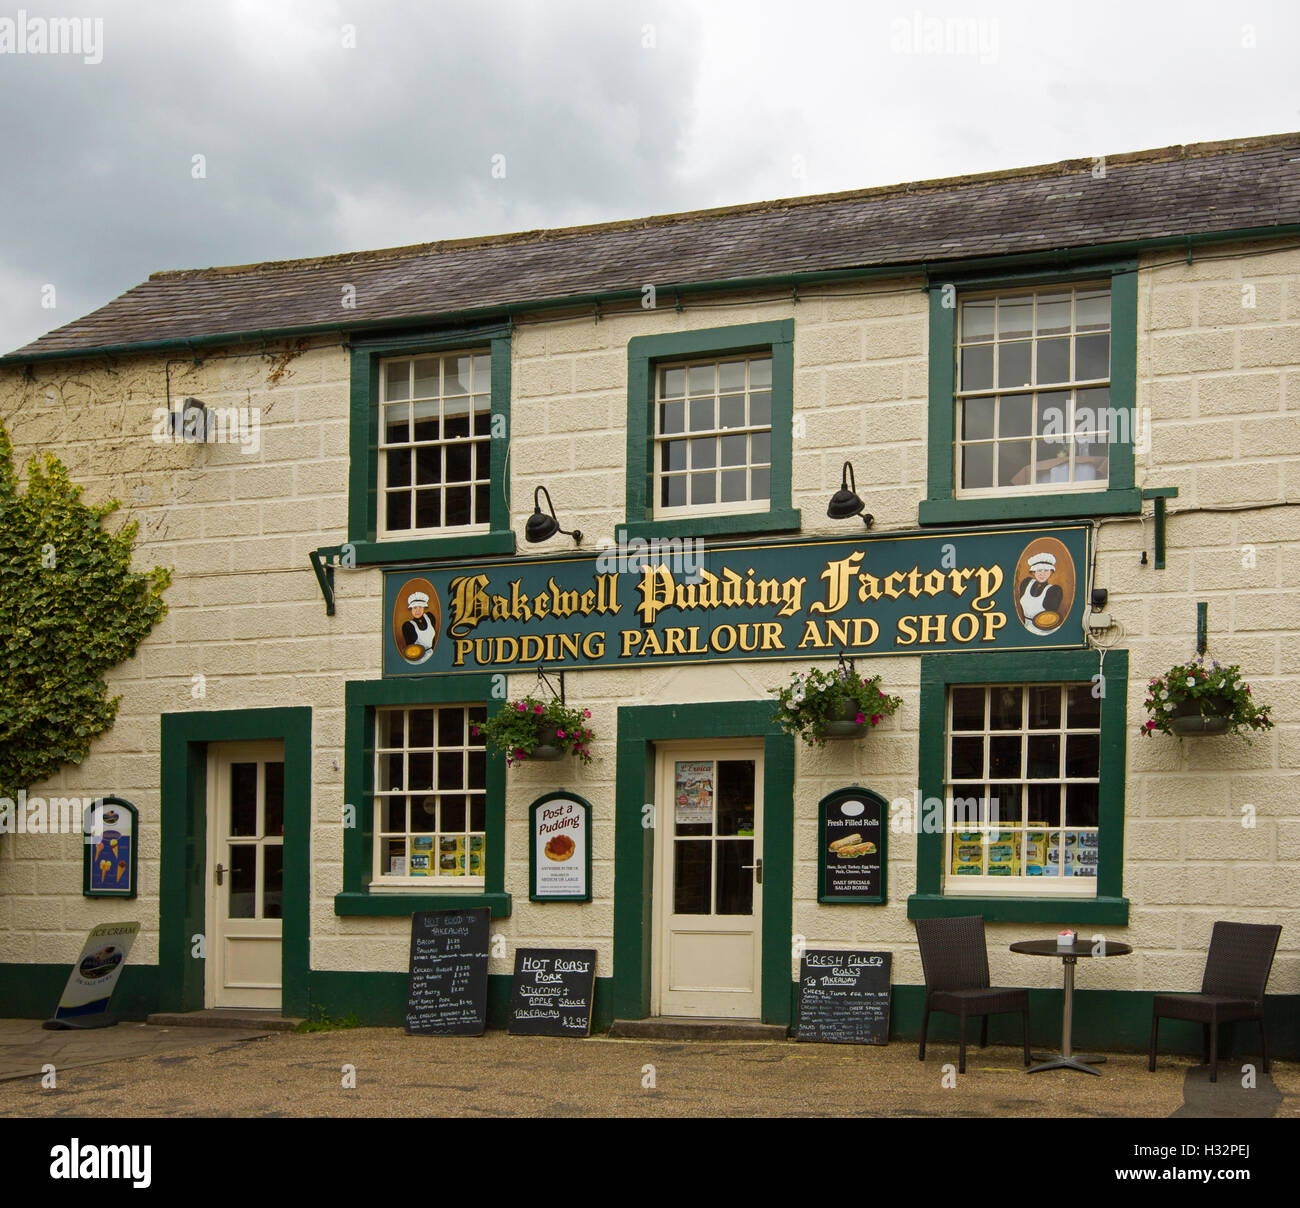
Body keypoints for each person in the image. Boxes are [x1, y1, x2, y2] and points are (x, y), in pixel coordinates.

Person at [1018, 552, 1062, 627]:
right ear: (1033, 572)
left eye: (1046, 571)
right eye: (1039, 570)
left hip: (1044, 631)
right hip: (1026, 626)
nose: (1042, 574)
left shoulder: (1053, 591)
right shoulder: (1026, 583)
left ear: (1051, 572)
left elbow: (1052, 617)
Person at [401, 591, 438, 660]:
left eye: (420, 607)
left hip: (432, 654)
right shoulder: (408, 626)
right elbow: (409, 648)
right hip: (418, 658)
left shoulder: (430, 617)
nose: (417, 611)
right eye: (415, 608)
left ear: (424, 608)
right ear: (411, 609)